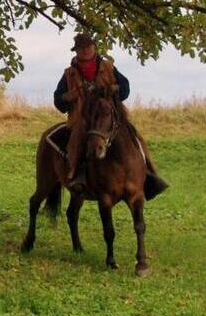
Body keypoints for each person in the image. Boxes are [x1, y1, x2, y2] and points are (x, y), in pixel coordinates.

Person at [53, 33, 168, 198]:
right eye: (81, 48)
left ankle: (149, 174)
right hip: (82, 118)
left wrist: (115, 88)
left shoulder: (108, 67)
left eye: (88, 47)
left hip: (107, 115)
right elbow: (58, 101)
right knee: (77, 137)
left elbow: (125, 87)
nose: (85, 51)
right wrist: (65, 97)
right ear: (76, 51)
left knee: (135, 137)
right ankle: (77, 175)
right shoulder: (69, 74)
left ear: (94, 48)